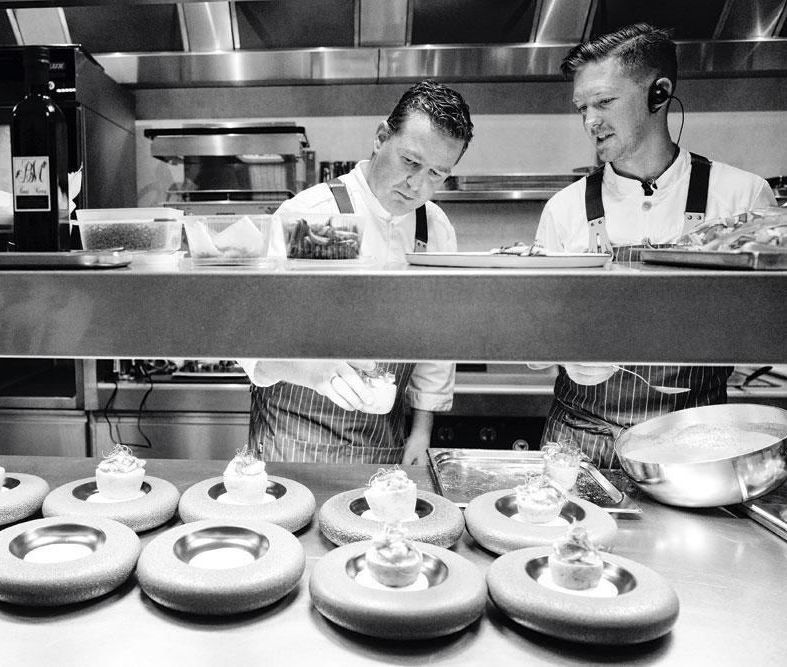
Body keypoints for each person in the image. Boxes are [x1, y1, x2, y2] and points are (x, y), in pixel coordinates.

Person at [534, 23, 778, 467]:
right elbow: (533, 332)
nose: (590, 121)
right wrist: (563, 353)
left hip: (698, 446)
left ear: (659, 93)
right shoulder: (564, 209)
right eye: (582, 107)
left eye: (604, 102)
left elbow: (766, 328)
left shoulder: (743, 199)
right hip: (579, 443)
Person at [240, 80, 474, 465]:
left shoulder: (434, 228)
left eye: (437, 174)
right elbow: (248, 337)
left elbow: (435, 339)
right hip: (296, 438)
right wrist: (311, 371)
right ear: (382, 137)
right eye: (411, 162)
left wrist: (421, 431)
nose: (418, 185)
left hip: (385, 439)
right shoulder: (316, 215)